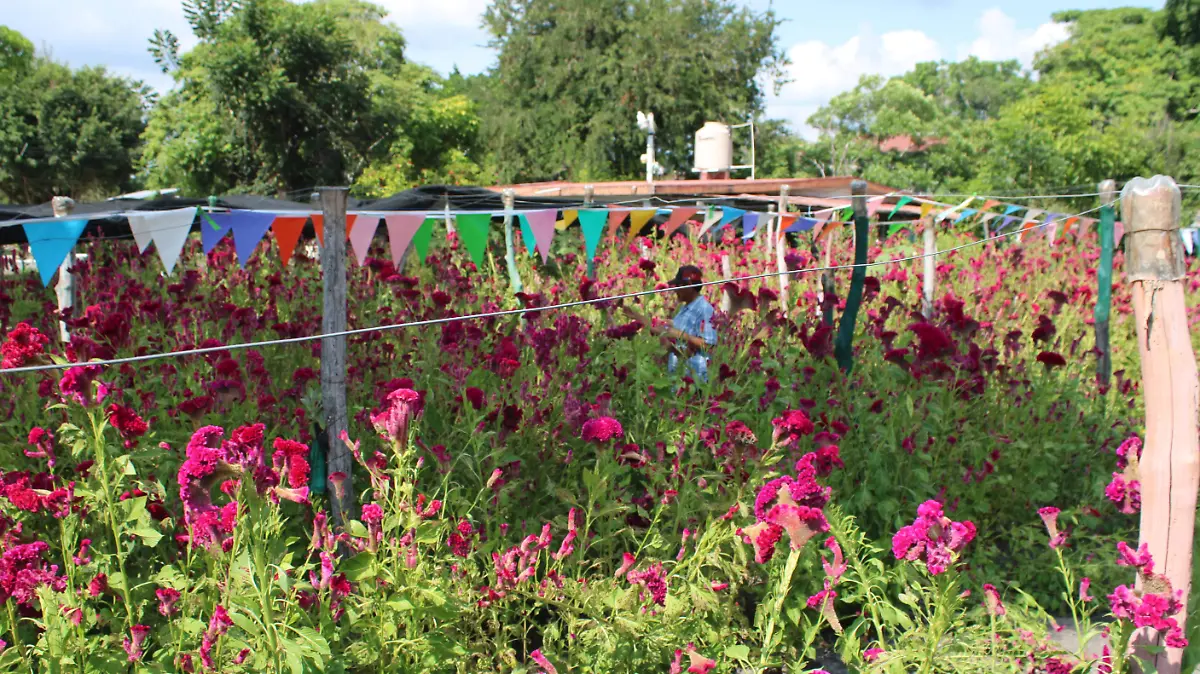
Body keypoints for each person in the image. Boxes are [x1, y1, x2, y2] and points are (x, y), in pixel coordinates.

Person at [618, 264, 717, 382]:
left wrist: (680, 334)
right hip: (679, 376)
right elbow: (665, 331)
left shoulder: (705, 309)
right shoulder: (685, 308)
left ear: (689, 286)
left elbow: (709, 345)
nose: (675, 290)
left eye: (678, 286)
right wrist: (636, 316)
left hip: (695, 379)